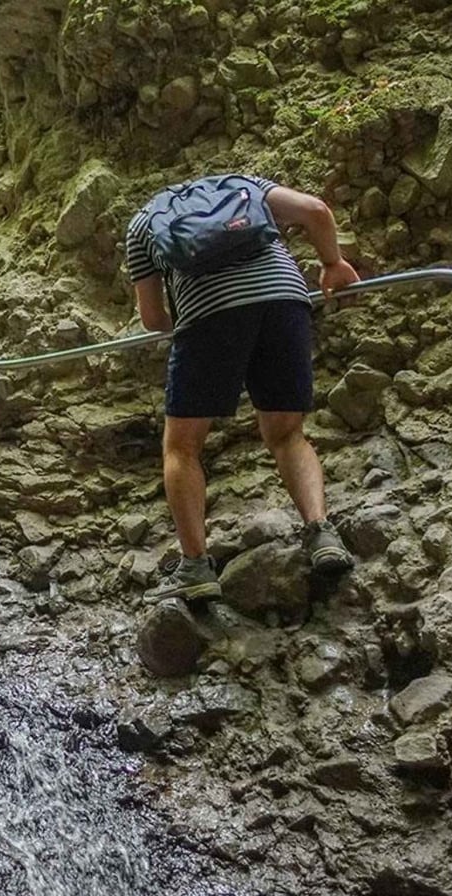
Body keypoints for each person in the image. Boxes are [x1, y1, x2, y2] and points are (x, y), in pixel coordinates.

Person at [126, 175, 360, 604]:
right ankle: (321, 533)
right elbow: (315, 211)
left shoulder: (144, 222)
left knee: (182, 447)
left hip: (208, 313)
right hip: (283, 299)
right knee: (288, 432)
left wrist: (192, 326)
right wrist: (332, 263)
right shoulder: (244, 184)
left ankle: (196, 567)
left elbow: (152, 317)